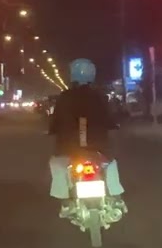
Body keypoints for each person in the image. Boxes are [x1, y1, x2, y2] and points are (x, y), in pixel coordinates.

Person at [47, 58, 124, 216]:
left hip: (69, 148)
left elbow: (55, 120)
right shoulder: (100, 97)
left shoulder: (65, 97)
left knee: (57, 165)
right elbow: (110, 118)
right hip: (98, 147)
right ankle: (116, 197)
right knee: (110, 164)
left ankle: (66, 202)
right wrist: (113, 125)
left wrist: (52, 129)